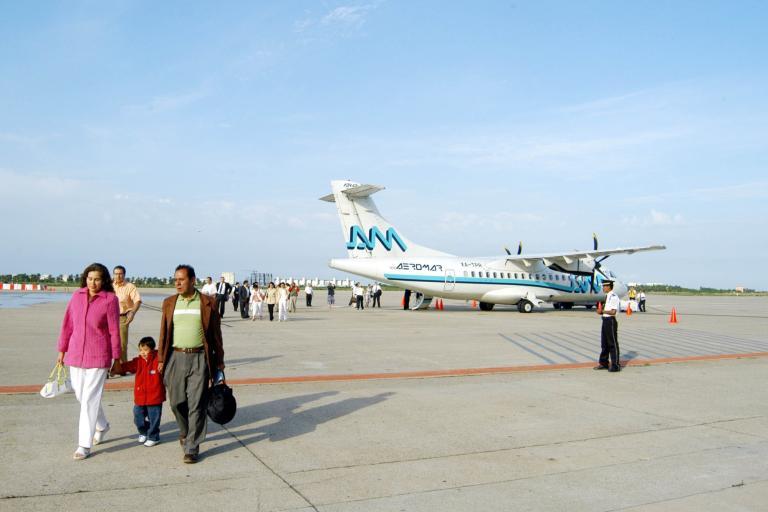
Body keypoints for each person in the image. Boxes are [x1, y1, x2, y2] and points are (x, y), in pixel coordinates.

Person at [158, 264, 225, 464]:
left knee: (197, 403)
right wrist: (161, 358)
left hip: (199, 358)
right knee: (177, 402)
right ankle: (185, 431)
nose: (177, 283)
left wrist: (219, 361)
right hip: (175, 358)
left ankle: (192, 446)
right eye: (175, 280)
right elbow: (163, 333)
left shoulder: (207, 303)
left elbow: (215, 335)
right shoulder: (169, 302)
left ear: (193, 280)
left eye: (182, 279)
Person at [57, 262, 121, 460]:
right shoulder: (76, 296)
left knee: (89, 399)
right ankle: (102, 425)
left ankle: (83, 445)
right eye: (90, 278)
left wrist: (117, 358)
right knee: (80, 396)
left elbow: (114, 330)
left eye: (97, 279)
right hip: (75, 354)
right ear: (85, 278)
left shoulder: (110, 300)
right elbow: (68, 324)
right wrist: (62, 350)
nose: (93, 283)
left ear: (104, 281)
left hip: (99, 355)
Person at [118, 336, 165, 447]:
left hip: (155, 397)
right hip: (140, 397)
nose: (142, 353)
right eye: (141, 350)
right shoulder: (138, 361)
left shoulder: (159, 360)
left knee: (154, 418)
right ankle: (143, 432)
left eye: (145, 350)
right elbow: (126, 366)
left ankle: (154, 437)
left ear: (152, 350)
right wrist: (117, 368)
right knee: (138, 415)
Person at [112, 265, 142, 375]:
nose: (118, 276)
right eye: (116, 273)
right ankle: (107, 367)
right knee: (108, 343)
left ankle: (122, 367)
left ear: (124, 274)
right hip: (108, 318)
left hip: (123, 318)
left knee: (122, 344)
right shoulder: (109, 286)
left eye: (120, 273)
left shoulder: (130, 286)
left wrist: (132, 312)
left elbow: (137, 301)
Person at [595, 280, 621, 372]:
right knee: (604, 344)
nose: (603, 288)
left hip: (610, 321)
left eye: (604, 286)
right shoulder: (607, 296)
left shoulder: (613, 296)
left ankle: (615, 365)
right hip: (605, 320)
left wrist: (602, 311)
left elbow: (613, 312)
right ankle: (603, 363)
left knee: (612, 343)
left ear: (609, 287)